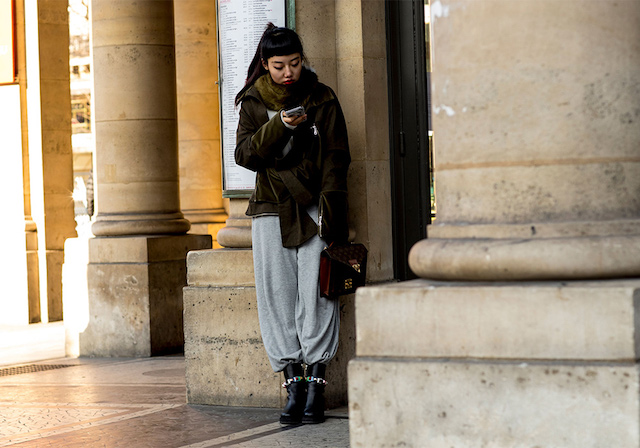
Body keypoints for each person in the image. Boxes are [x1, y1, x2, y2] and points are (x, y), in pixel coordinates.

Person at [234, 23, 350, 426]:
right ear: (265, 64)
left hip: (315, 210)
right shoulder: (252, 100)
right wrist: (280, 124)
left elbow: (338, 157)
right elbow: (245, 155)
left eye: (295, 64)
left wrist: (333, 211)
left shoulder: (322, 97)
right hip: (269, 209)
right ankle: (292, 384)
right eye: (280, 65)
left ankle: (316, 383)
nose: (288, 73)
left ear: (303, 61)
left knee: (318, 295)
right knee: (277, 297)